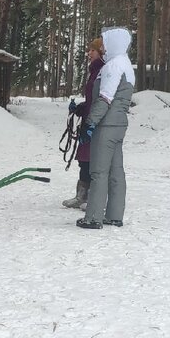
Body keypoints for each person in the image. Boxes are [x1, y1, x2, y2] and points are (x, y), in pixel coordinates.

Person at [77, 27, 133, 230]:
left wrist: (90, 123)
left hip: (106, 125)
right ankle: (114, 215)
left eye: (104, 44)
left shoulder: (112, 67)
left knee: (98, 171)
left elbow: (105, 98)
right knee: (116, 171)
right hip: (119, 124)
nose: (103, 48)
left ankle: (93, 217)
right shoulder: (126, 64)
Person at [63, 37, 105, 210]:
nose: (89, 54)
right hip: (89, 120)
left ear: (101, 51)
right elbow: (91, 99)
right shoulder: (94, 71)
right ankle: (82, 196)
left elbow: (102, 100)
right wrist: (80, 108)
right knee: (84, 160)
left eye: (92, 50)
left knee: (93, 161)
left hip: (96, 123)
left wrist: (93, 120)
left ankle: (94, 198)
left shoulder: (103, 71)